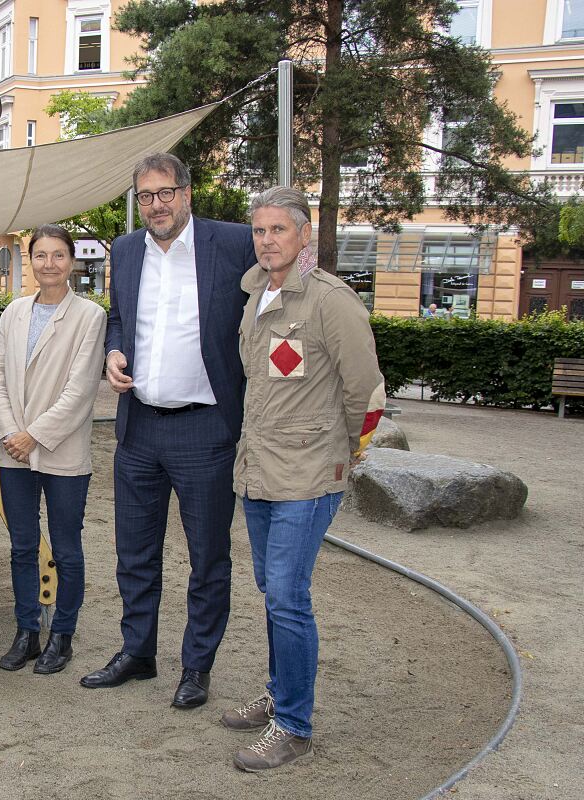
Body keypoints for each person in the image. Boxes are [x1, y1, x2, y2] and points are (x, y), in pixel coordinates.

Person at [79, 153, 257, 710]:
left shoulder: (233, 243)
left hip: (206, 429)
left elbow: (287, 276)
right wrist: (113, 350)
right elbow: (118, 316)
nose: (156, 205)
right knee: (133, 552)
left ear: (186, 192)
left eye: (165, 193)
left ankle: (196, 666)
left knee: (207, 558)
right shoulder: (127, 249)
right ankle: (138, 652)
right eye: (146, 196)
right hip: (138, 430)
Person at [224, 186, 385, 771]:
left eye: (278, 231)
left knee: (288, 597)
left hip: (310, 473)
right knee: (274, 594)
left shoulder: (329, 301)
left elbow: (363, 388)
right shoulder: (254, 295)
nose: (267, 241)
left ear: (304, 234)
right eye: (260, 231)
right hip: (261, 471)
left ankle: (294, 724)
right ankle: (278, 690)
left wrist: (344, 451)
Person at [0, 225, 106, 674]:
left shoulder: (89, 317)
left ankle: (63, 635)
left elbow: (79, 392)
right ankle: (27, 631)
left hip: (61, 451)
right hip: (14, 450)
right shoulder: (13, 312)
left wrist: (34, 434)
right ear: (30, 259)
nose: (49, 264)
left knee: (66, 546)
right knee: (21, 545)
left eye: (59, 255)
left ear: (71, 262)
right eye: (41, 255)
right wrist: (12, 433)